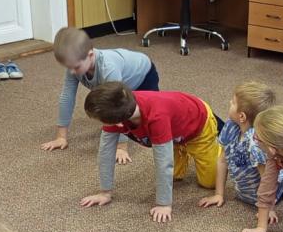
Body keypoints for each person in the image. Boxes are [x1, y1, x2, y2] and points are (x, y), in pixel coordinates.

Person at [81, 83, 221, 224]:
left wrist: (164, 204)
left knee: (210, 182)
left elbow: (163, 163)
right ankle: (180, 148)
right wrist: (105, 192)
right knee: (174, 176)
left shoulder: (156, 117)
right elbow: (105, 152)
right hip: (174, 131)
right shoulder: (119, 109)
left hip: (198, 124)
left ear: (118, 123)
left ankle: (220, 149)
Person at [42, 27, 160, 164]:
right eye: (69, 67)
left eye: (76, 67)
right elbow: (67, 97)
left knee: (150, 118)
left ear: (90, 55)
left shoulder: (108, 68)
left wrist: (121, 147)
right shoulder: (75, 66)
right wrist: (61, 137)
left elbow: (118, 105)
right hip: (120, 81)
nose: (72, 72)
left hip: (143, 75)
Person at [198, 81, 283, 213]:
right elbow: (222, 160)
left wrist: (269, 210)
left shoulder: (256, 144)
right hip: (247, 193)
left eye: (233, 102)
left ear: (242, 116)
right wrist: (219, 194)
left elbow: (267, 179)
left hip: (282, 183)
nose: (230, 102)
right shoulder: (230, 126)